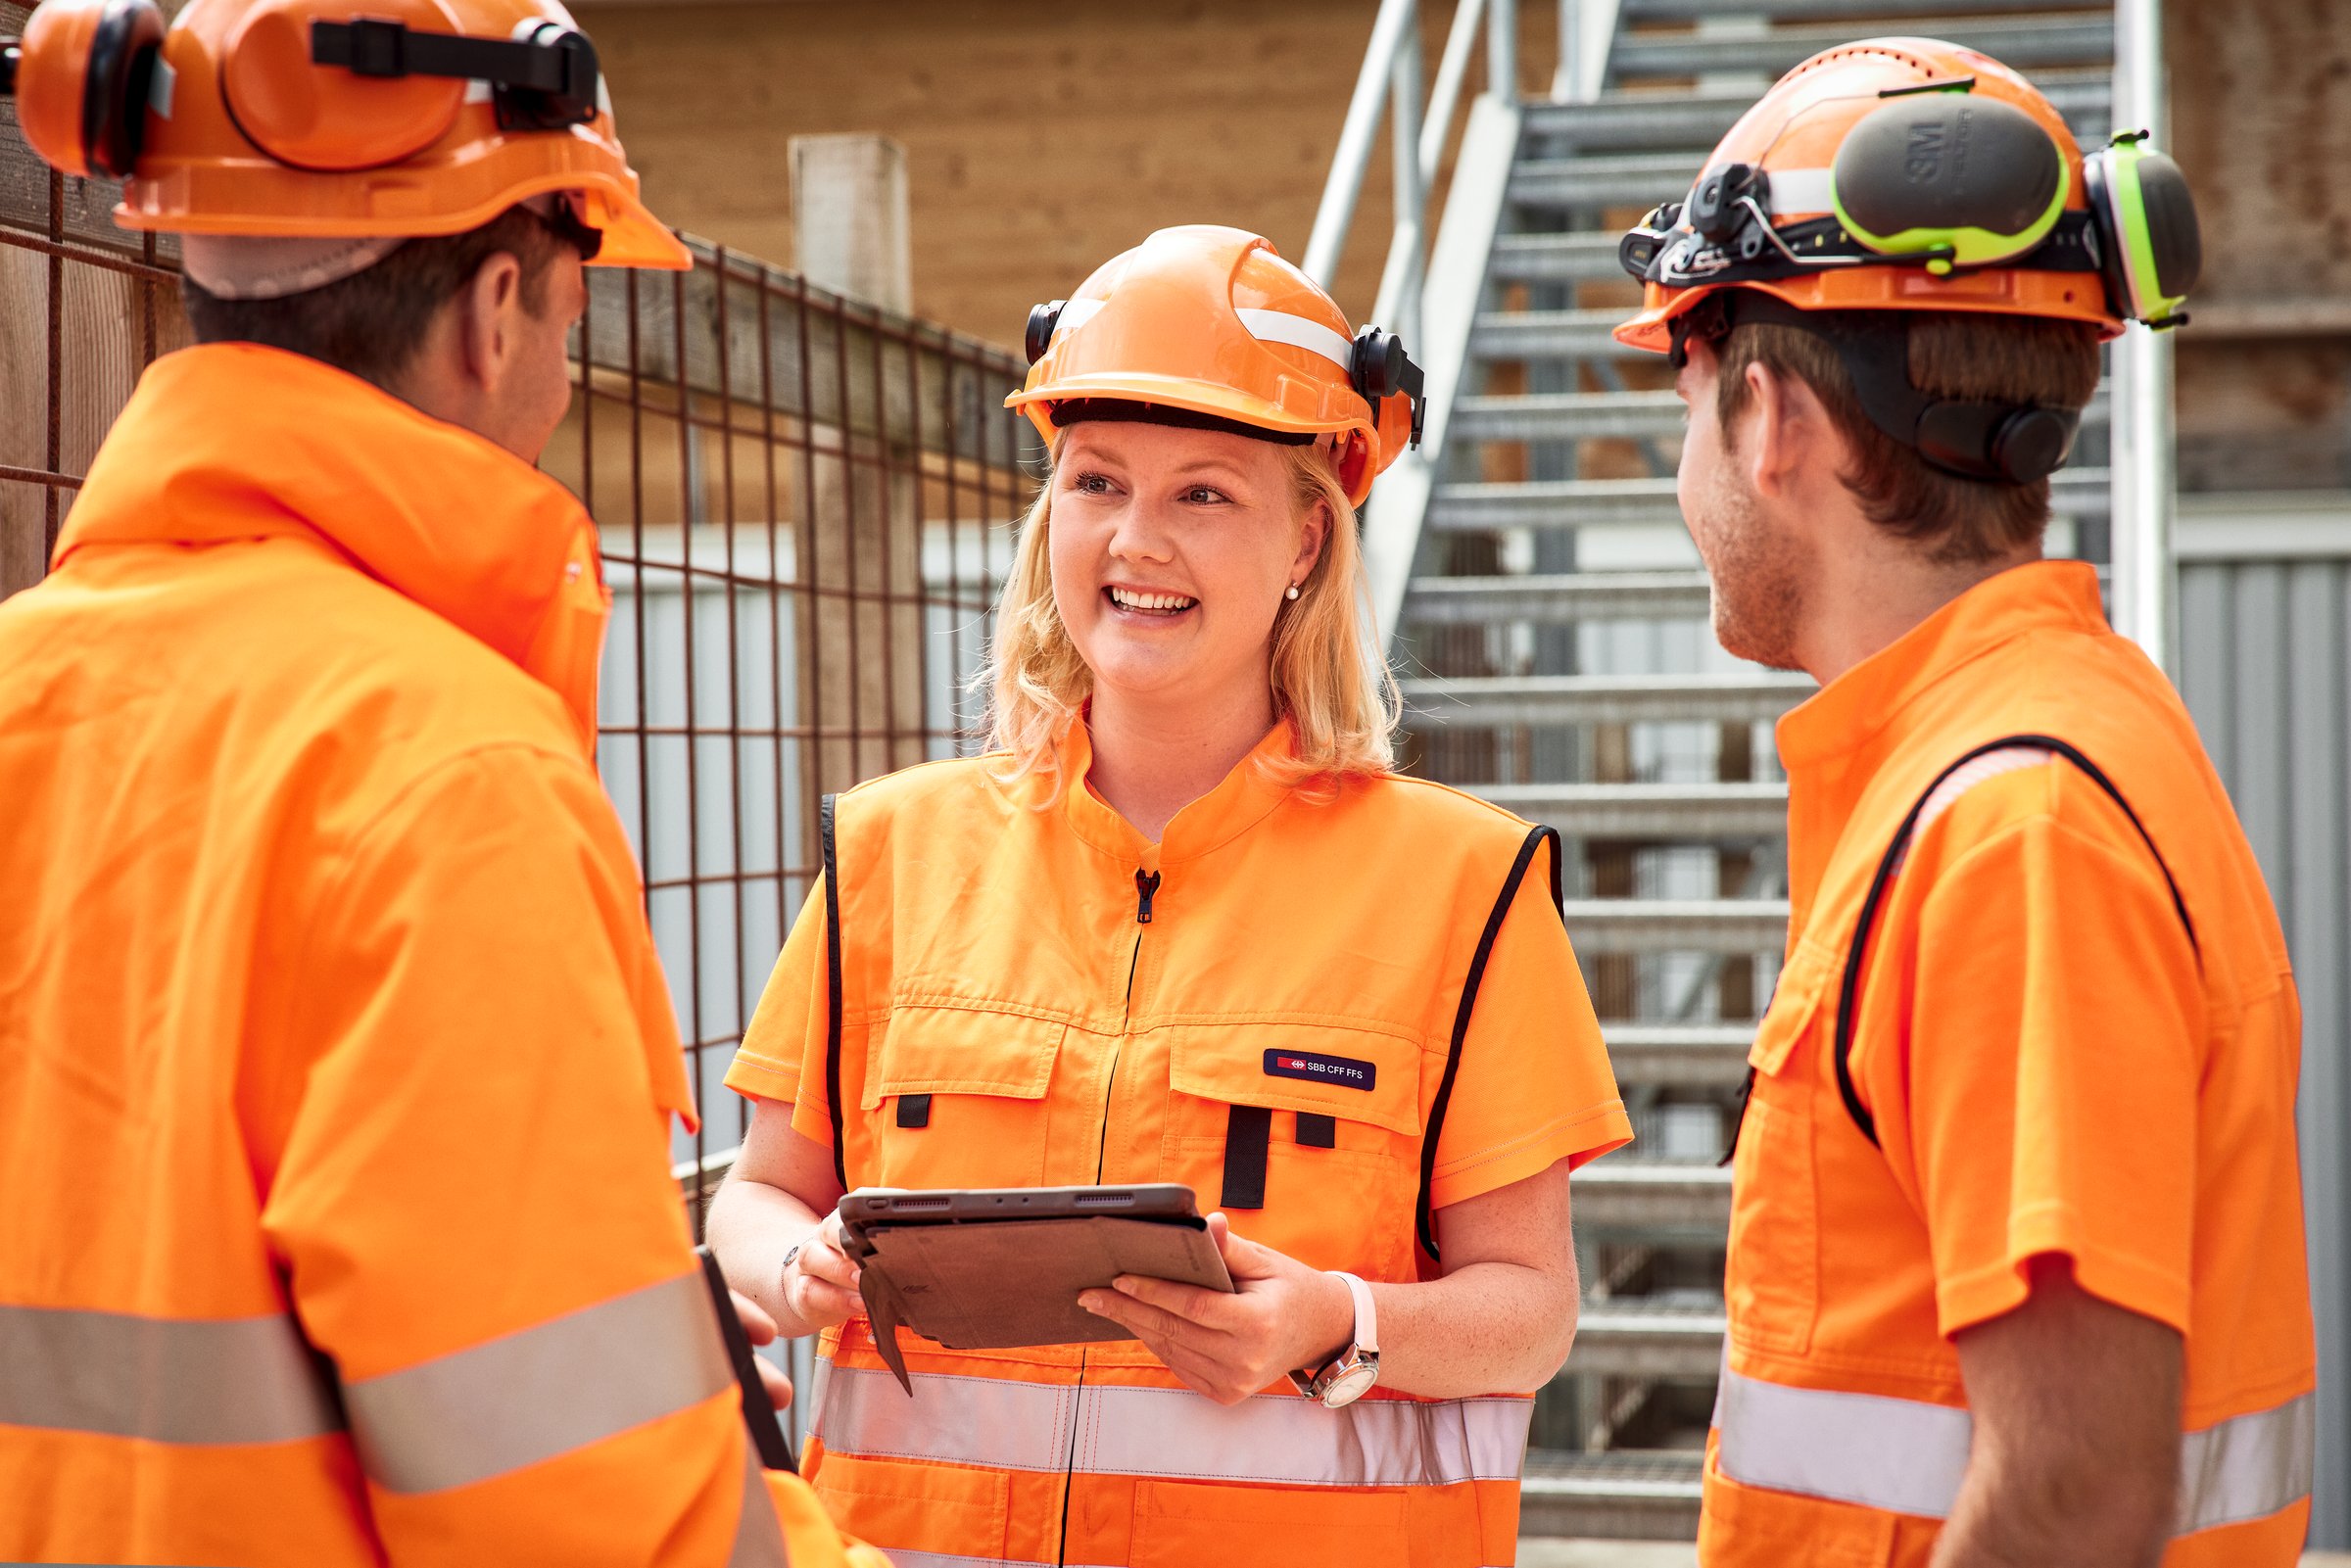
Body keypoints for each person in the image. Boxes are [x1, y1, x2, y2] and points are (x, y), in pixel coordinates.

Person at [0, 0, 879, 1562]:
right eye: (572, 318)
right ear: (493, 310)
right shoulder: (446, 775)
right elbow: (593, 1520)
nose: (562, 370)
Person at [706, 223, 1634, 1568]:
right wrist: (797, 1267)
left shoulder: (1462, 887)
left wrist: (1335, 1320)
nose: (1136, 540)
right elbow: (753, 1196)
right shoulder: (892, 853)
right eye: (1096, 482)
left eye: (1205, 493)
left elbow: (1533, 1308)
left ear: (1309, 536)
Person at [1612, 36, 2318, 1568]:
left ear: (1771, 421)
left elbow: (2072, 1492)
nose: (1687, 474)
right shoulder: (2020, 754)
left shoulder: (2012, 828)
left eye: (1686, 400)